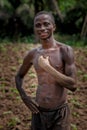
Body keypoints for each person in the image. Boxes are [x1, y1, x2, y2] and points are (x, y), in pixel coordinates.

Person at [15, 11, 77, 130]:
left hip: (60, 113)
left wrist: (47, 67)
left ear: (53, 26)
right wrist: (24, 96)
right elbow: (19, 76)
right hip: (38, 112)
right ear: (34, 29)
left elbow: (73, 85)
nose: (42, 28)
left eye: (46, 24)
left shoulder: (65, 51)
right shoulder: (32, 54)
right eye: (38, 25)